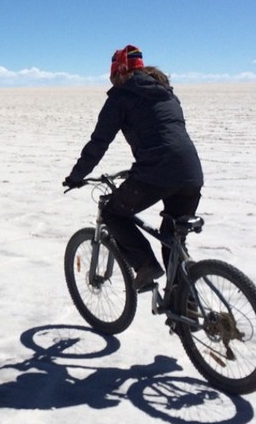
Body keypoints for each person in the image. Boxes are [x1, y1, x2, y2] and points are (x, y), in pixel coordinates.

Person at [63, 45, 204, 289]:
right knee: (172, 238)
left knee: (112, 213)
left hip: (157, 172)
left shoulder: (121, 96)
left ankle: (145, 266)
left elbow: (99, 142)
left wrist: (77, 176)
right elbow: (165, 136)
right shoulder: (167, 93)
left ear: (118, 72)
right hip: (191, 173)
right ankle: (184, 307)